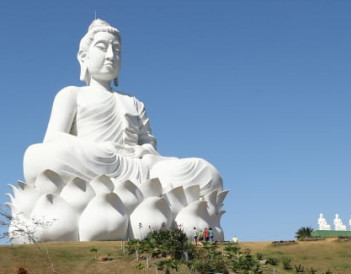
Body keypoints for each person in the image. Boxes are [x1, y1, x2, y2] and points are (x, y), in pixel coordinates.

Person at [22, 19, 223, 201]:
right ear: (83, 56)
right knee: (38, 155)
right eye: (102, 47)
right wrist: (100, 150)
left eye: (117, 50)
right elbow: (53, 138)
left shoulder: (133, 102)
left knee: (205, 172)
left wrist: (143, 150)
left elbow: (148, 143)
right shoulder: (71, 94)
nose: (111, 55)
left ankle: (136, 189)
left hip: (140, 168)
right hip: (98, 161)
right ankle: (143, 194)